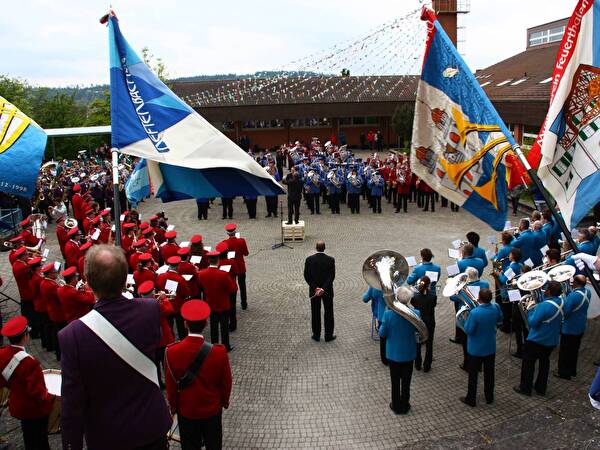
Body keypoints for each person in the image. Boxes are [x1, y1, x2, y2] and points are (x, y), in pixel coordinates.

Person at [59, 245, 172, 449]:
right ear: (123, 281)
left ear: (89, 282)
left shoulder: (71, 336)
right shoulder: (150, 310)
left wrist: (71, 444)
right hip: (151, 426)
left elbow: (72, 402)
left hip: (108, 436)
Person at [165, 300, 232, 450]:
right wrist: (223, 402)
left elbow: (170, 386)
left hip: (187, 411)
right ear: (206, 324)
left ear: (185, 324)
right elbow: (226, 382)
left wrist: (174, 408)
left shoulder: (171, 352)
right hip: (212, 409)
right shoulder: (219, 352)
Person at [0, 316, 54, 450]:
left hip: (18, 405)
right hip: (34, 410)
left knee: (29, 437)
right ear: (25, 336)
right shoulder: (30, 363)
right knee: (40, 441)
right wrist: (52, 400)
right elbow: (39, 394)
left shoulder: (2, 354)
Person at [514, 280, 564, 397]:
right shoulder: (561, 301)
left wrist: (531, 309)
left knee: (528, 364)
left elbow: (532, 323)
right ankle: (541, 388)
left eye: (546, 289)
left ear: (550, 291)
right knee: (544, 363)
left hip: (537, 340)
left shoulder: (543, 306)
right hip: (551, 339)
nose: (544, 290)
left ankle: (525, 388)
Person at [379, 286, 419, 414]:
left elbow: (382, 333)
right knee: (407, 381)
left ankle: (396, 405)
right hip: (409, 352)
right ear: (408, 300)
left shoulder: (388, 314)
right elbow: (418, 331)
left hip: (394, 354)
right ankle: (405, 403)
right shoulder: (416, 313)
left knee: (395, 381)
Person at [461, 288, 503, 406]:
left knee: (473, 375)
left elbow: (469, 330)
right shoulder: (496, 307)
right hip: (490, 346)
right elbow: (500, 320)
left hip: (475, 349)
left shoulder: (475, 313)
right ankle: (489, 397)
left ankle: (471, 399)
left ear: (479, 298)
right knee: (489, 373)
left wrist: (465, 319)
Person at [197, 251, 237, 352]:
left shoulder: (202, 273)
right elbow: (232, 288)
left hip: (210, 303)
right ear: (218, 261)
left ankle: (213, 346)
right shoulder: (223, 274)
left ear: (208, 261)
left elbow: (201, 286)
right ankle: (225, 345)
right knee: (224, 327)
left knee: (213, 326)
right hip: (223, 304)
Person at [555, 275, 591, 380]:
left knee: (565, 351)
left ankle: (563, 372)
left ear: (575, 283)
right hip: (580, 325)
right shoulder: (588, 292)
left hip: (570, 327)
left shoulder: (573, 296)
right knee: (574, 350)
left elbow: (566, 311)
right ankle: (572, 370)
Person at [303, 241, 336, 342]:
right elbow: (331, 277)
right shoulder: (330, 260)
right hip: (327, 291)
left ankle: (316, 335)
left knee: (315, 312)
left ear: (316, 248)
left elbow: (306, 275)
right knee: (329, 313)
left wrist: (315, 288)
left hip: (314, 292)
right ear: (324, 248)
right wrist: (323, 289)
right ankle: (328, 335)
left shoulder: (309, 260)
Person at [220, 224, 249, 310]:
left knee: (232, 285)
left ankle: (231, 304)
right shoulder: (241, 241)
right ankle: (244, 304)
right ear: (235, 232)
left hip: (230, 268)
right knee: (242, 286)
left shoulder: (224, 243)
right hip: (240, 267)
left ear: (227, 233)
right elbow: (246, 253)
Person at [411, 276, 436, 372]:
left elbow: (413, 304)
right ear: (429, 285)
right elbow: (433, 305)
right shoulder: (433, 297)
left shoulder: (415, 297)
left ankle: (417, 364)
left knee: (418, 343)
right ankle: (427, 365)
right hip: (430, 322)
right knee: (429, 345)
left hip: (419, 322)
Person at [362, 285, 387, 365]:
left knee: (383, 338)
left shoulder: (374, 285)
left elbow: (365, 299)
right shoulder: (396, 282)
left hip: (381, 314)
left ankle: (384, 359)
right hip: (393, 313)